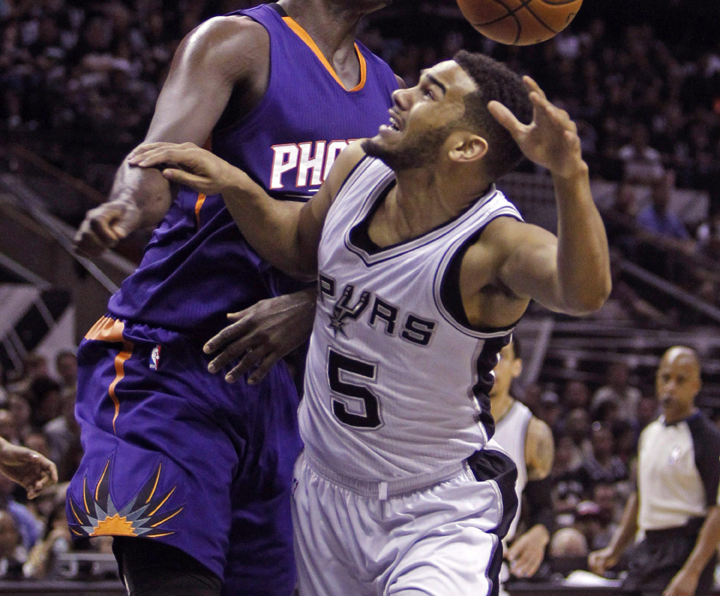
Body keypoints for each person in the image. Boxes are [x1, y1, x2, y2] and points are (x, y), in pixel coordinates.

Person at [131, 49, 612, 595]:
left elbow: (584, 292)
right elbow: (296, 245)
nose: (400, 95)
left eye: (429, 93)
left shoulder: (494, 243)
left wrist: (570, 173)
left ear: (466, 147)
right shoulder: (358, 167)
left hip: (434, 511)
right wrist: (239, 187)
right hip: (321, 496)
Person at [69, 0, 400, 596]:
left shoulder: (388, 94)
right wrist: (127, 204)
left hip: (285, 400)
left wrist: (315, 306)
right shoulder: (239, 44)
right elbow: (158, 156)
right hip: (171, 368)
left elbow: (394, 260)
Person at [590, 347, 720, 596]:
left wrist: (692, 572)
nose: (671, 387)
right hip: (648, 546)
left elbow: (717, 511)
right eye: (665, 378)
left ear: (696, 385)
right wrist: (614, 549)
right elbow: (639, 497)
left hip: (685, 547)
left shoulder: (708, 438)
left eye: (680, 380)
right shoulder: (649, 434)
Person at [490, 338, 555, 580]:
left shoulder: (532, 432)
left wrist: (540, 533)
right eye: (485, 354)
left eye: (502, 356)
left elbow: (544, 508)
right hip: (437, 555)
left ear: (517, 367)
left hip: (492, 567)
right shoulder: (445, 417)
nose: (492, 364)